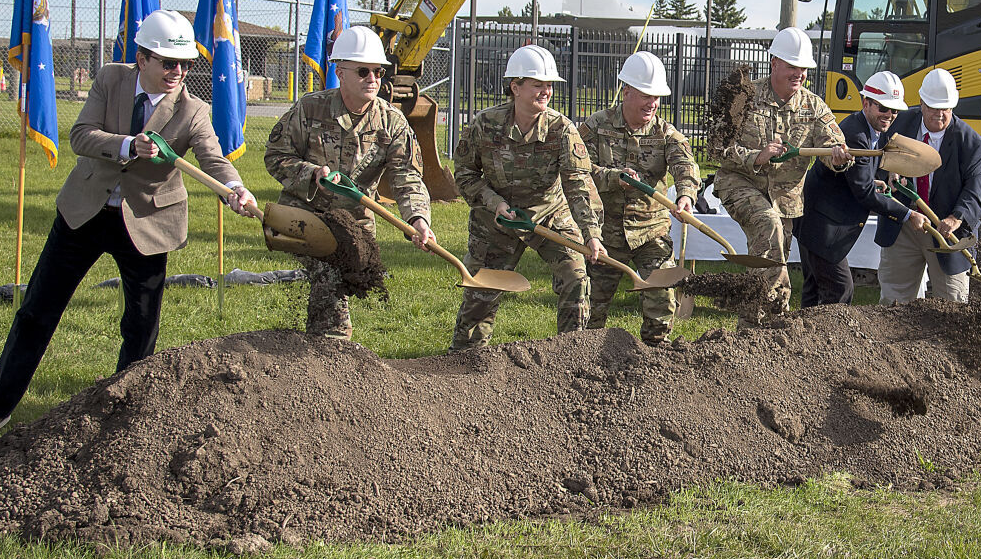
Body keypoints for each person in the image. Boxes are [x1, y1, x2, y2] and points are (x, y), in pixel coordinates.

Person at [0, 9, 261, 451]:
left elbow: (213, 159)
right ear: (141, 58)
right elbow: (81, 136)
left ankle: (121, 419)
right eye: (167, 62)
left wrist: (235, 189)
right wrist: (127, 145)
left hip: (147, 225)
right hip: (84, 214)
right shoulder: (110, 79)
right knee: (36, 312)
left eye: (184, 64)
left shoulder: (193, 111)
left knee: (140, 326)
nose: (177, 72)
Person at [265, 25, 435, 340]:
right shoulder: (310, 108)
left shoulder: (392, 122)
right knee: (331, 270)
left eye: (378, 72)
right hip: (302, 213)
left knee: (346, 272)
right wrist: (311, 174)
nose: (372, 79)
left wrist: (418, 219)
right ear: (340, 72)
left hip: (354, 220)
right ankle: (332, 345)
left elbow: (407, 177)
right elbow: (276, 157)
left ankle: (321, 348)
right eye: (363, 71)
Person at [451, 43, 605, 350]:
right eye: (537, 85)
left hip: (549, 213)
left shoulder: (562, 130)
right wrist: (495, 204)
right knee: (482, 293)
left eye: (549, 86)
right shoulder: (484, 125)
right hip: (496, 219)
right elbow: (465, 175)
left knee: (576, 276)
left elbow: (577, 184)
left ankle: (570, 354)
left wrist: (591, 234)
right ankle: (465, 358)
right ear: (515, 87)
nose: (546, 92)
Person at [710, 27, 850, 323]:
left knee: (771, 257)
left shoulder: (814, 107)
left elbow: (833, 146)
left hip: (785, 199)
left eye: (803, 68)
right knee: (768, 226)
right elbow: (716, 148)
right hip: (741, 184)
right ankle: (777, 319)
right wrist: (756, 157)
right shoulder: (744, 98)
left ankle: (752, 329)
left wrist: (838, 158)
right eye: (791, 66)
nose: (798, 73)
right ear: (774, 62)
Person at [578, 51, 699, 344]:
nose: (652, 103)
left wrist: (685, 195)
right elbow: (577, 171)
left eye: (657, 96)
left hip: (650, 232)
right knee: (588, 305)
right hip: (604, 234)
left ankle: (655, 356)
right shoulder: (595, 127)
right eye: (646, 94)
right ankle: (582, 356)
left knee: (663, 294)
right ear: (627, 90)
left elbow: (686, 166)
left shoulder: (666, 133)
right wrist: (613, 178)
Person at [794, 70, 914, 308]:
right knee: (840, 289)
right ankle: (828, 340)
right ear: (865, 103)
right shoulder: (855, 134)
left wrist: (879, 176)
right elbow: (864, 193)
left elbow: (859, 177)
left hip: (816, 220)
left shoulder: (872, 131)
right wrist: (909, 215)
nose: (889, 115)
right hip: (821, 226)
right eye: (883, 108)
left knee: (815, 287)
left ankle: (804, 338)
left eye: (894, 111)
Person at [875, 67, 981, 304]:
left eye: (945, 109)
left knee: (952, 303)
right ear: (921, 103)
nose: (940, 115)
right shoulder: (898, 126)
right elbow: (877, 160)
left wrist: (956, 218)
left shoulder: (972, 144)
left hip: (946, 230)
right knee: (894, 300)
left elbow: (976, 189)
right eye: (934, 108)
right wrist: (888, 173)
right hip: (904, 224)